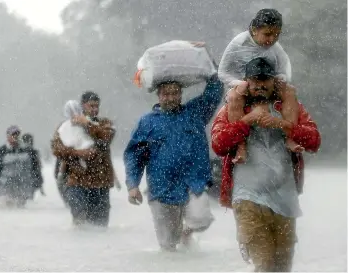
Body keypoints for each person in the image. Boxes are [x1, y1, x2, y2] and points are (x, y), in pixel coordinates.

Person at [211, 57, 321, 272]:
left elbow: (314, 140)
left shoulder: (289, 106)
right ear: (246, 82)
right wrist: (247, 121)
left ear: (274, 81)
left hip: (285, 199)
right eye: (255, 80)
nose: (260, 85)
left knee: (282, 267)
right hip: (247, 199)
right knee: (265, 264)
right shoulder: (232, 108)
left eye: (265, 80)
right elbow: (218, 144)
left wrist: (284, 125)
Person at [123, 71, 224, 251]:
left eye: (174, 93)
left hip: (193, 182)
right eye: (166, 94)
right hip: (161, 188)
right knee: (168, 247)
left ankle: (186, 234)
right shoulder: (147, 122)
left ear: (180, 94)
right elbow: (134, 156)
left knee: (201, 219)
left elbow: (214, 93)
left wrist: (210, 67)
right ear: (158, 95)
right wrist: (133, 185)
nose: (170, 98)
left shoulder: (195, 113)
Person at [218, 8, 301, 164]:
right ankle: (241, 145)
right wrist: (239, 83)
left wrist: (280, 79)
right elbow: (222, 73)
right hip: (244, 88)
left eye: (277, 35)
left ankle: (290, 138)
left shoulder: (276, 48)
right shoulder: (238, 43)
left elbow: (285, 71)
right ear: (255, 30)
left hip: (269, 87)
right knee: (234, 96)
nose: (272, 39)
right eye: (268, 34)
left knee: (290, 91)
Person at [51, 91, 116, 227]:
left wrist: (87, 124)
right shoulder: (66, 126)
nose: (94, 109)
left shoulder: (104, 123)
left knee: (100, 226)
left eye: (97, 106)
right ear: (82, 106)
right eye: (91, 106)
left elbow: (105, 139)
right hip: (76, 182)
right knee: (80, 222)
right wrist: (79, 153)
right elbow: (56, 149)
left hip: (101, 182)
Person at [0, 126, 43, 207]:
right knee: (7, 209)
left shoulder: (28, 151)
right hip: (5, 188)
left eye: (17, 134)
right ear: (8, 136)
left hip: (23, 188)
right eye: (13, 134)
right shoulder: (1, 151)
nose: (15, 137)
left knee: (21, 213)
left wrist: (38, 181)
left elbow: (35, 167)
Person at [21, 133, 45, 199]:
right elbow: (38, 168)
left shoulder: (20, 151)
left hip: (23, 178)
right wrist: (40, 184)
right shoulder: (34, 152)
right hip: (31, 177)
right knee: (29, 198)